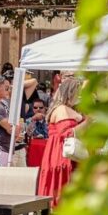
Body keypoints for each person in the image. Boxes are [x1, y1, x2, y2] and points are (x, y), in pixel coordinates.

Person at [38, 75, 85, 206]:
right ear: (70, 93)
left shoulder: (65, 108)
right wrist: (87, 122)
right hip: (62, 155)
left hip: (61, 154)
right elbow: (67, 134)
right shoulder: (62, 109)